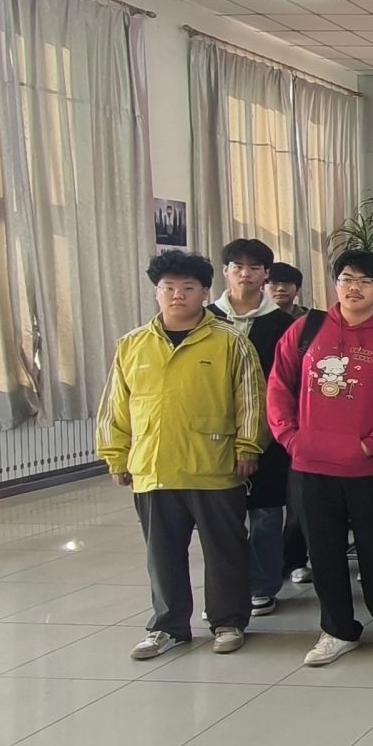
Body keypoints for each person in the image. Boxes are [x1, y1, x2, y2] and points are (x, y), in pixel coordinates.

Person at [99, 250, 264, 660]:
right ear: (156, 293)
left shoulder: (230, 342)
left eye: (188, 288)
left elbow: (251, 400)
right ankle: (167, 626)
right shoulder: (132, 345)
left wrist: (248, 446)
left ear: (205, 293)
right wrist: (116, 455)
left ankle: (228, 621)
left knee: (224, 550)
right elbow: (115, 407)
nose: (177, 295)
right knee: (162, 554)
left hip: (214, 465)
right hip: (154, 466)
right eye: (168, 288)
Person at [268, 251, 373, 666]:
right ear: (335, 283)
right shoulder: (306, 329)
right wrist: (289, 437)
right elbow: (279, 385)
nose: (355, 288)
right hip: (311, 464)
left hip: (370, 467)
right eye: (347, 279)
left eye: (365, 281)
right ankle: (337, 629)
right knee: (324, 553)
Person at [207, 239, 297, 619]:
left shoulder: (284, 325)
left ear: (265, 274)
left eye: (254, 267)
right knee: (220, 518)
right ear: (225, 271)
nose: (245, 273)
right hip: (214, 432)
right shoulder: (206, 319)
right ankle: (227, 589)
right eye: (237, 266)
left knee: (265, 514)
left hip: (269, 433)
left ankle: (263, 585)